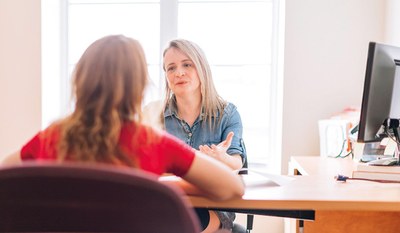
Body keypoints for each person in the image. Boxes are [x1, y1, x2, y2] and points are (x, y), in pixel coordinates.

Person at [1, 35, 244, 208]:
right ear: (138, 88)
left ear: (80, 83)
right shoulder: (154, 143)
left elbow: (6, 176)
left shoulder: (53, 138)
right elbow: (234, 187)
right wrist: (164, 185)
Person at [161, 39, 247, 232]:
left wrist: (221, 158)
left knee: (186, 222)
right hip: (170, 203)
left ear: (201, 68)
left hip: (213, 208)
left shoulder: (228, 114)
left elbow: (237, 163)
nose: (179, 73)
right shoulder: (157, 115)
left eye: (186, 64)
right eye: (171, 68)